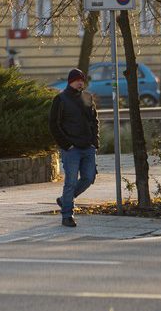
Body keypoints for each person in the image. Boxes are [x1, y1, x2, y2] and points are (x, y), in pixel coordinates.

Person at [48, 67, 100, 227]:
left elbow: (94, 120)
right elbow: (54, 125)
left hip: (88, 147)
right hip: (72, 149)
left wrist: (94, 142)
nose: (80, 83)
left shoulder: (87, 97)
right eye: (77, 80)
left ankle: (64, 200)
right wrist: (67, 145)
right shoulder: (61, 99)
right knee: (70, 181)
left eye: (82, 80)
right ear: (71, 81)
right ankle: (67, 215)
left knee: (89, 177)